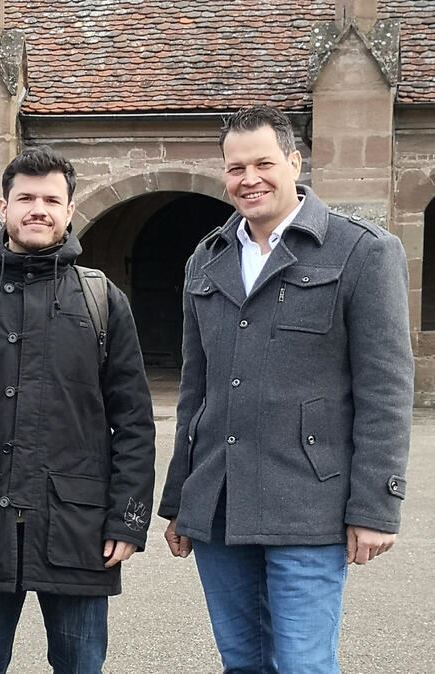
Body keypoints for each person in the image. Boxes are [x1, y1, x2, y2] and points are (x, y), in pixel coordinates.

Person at [159, 105, 413, 672]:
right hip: (220, 503)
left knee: (302, 664)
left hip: (309, 502)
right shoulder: (206, 259)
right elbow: (194, 393)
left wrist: (376, 506)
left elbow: (386, 391)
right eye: (235, 167)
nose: (249, 179)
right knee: (242, 663)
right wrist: (181, 500)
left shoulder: (362, 251)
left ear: (294, 162)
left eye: (263, 163)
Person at [0, 147, 156, 673]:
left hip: (78, 528)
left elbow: (132, 422)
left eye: (50, 199)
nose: (37, 208)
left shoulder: (103, 301)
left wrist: (128, 521)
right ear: (3, 207)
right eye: (26, 198)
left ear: (68, 210)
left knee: (80, 666)